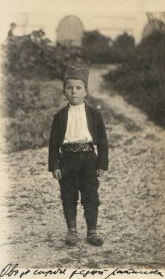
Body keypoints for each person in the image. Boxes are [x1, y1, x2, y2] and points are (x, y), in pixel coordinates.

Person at [48, 65, 109, 247]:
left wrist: (102, 164)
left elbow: (103, 141)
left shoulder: (94, 114)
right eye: (70, 88)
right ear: (64, 91)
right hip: (67, 160)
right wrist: (55, 166)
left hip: (89, 159)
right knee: (68, 195)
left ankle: (92, 231)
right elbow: (52, 144)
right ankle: (72, 231)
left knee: (91, 195)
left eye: (78, 88)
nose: (74, 92)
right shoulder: (59, 116)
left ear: (86, 91)